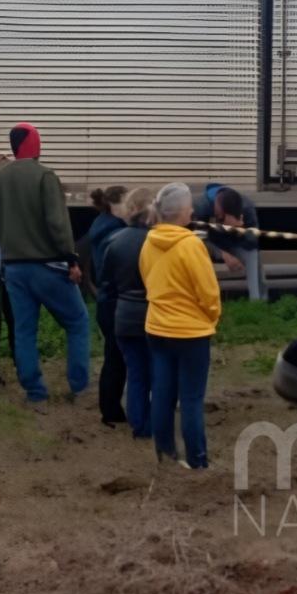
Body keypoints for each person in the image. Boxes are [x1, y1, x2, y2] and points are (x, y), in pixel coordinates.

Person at [0, 123, 90, 405]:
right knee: (77, 322)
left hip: (14, 269)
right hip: (49, 266)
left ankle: (35, 392)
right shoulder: (45, 176)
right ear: (35, 145)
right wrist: (71, 258)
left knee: (24, 330)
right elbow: (57, 223)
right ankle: (79, 387)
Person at [139, 183, 221, 468]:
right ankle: (197, 459)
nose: (193, 210)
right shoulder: (191, 244)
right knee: (191, 398)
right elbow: (208, 291)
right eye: (190, 207)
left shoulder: (149, 241)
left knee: (162, 391)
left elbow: (147, 278)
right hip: (191, 332)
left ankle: (165, 453)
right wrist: (212, 316)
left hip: (157, 328)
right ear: (182, 212)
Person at [101, 188, 155, 439]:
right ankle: (151, 422)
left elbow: (107, 285)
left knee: (135, 373)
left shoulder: (114, 241)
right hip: (153, 317)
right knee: (156, 373)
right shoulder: (157, 243)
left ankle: (138, 424)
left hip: (123, 316)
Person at [86, 186, 129, 426]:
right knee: (116, 358)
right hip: (113, 302)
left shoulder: (103, 224)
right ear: (116, 206)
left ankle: (110, 408)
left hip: (106, 302)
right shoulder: (113, 231)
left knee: (114, 356)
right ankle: (111, 410)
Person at [193, 185, 266, 302]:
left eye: (222, 220)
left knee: (253, 254)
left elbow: (253, 242)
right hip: (211, 244)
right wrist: (224, 254)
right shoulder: (201, 206)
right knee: (195, 250)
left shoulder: (247, 207)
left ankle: (257, 302)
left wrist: (239, 229)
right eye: (219, 219)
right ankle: (203, 301)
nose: (219, 221)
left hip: (235, 242)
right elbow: (199, 240)